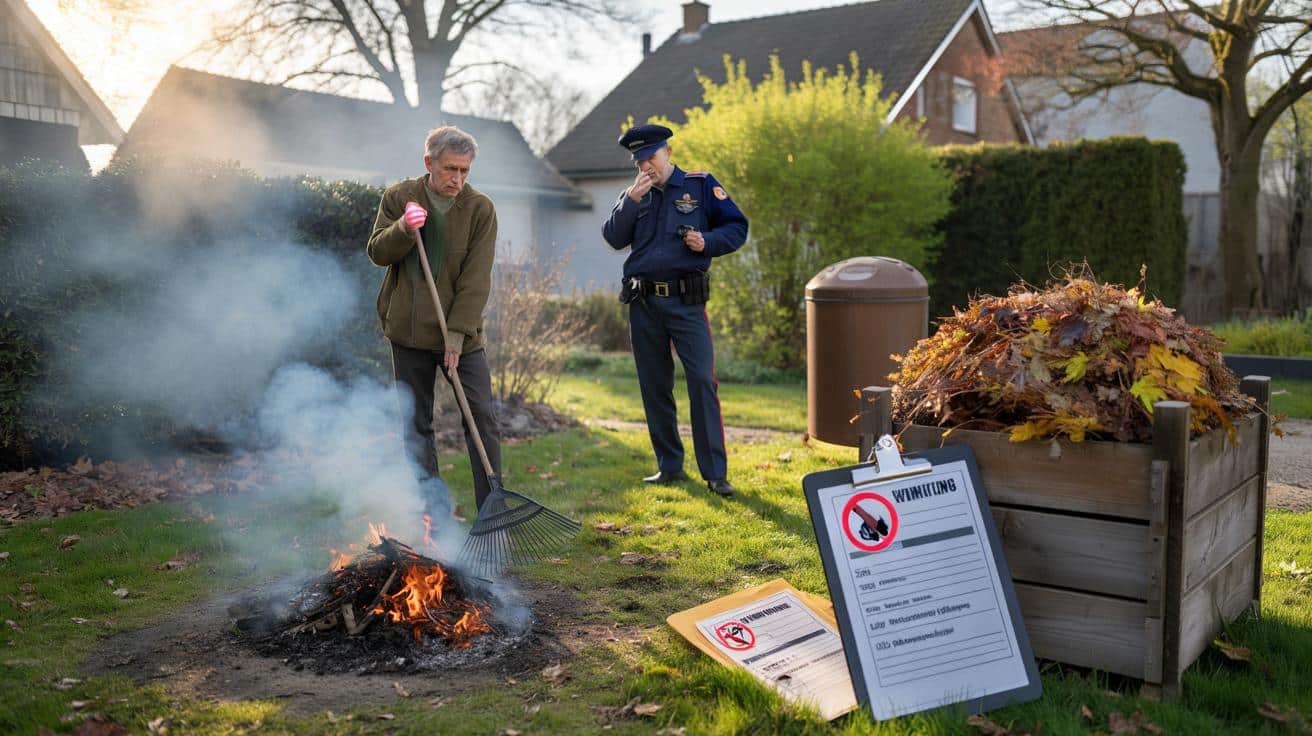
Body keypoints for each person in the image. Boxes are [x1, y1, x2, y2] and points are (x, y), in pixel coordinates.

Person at [601, 124, 749, 498]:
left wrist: (708, 242)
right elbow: (613, 238)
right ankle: (669, 467)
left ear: (667, 152)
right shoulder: (634, 194)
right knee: (655, 386)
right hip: (644, 303)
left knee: (701, 381)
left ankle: (715, 473)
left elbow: (737, 226)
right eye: (639, 161)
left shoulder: (699, 186)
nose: (645, 166)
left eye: (651, 157)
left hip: (686, 302)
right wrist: (631, 200)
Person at [366, 125, 501, 515]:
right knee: (415, 426)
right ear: (429, 163)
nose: (457, 179)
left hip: (462, 337)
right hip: (408, 333)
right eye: (449, 169)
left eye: (464, 171)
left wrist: (457, 335)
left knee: (482, 420)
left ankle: (491, 514)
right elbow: (377, 251)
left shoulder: (480, 209)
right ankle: (431, 516)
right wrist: (404, 228)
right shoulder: (399, 197)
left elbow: (477, 279)